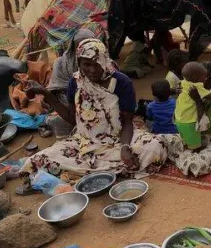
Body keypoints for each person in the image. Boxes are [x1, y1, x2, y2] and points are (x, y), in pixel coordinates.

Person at [22, 39, 166, 176]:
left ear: (104, 60)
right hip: (85, 142)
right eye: (86, 64)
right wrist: (46, 93)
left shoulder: (121, 82)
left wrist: (124, 148)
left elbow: (128, 122)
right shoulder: (76, 82)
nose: (92, 70)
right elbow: (73, 119)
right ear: (79, 62)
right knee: (38, 160)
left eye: (96, 64)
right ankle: (106, 169)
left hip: (120, 139)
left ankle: (89, 169)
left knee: (155, 146)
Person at [164, 61, 211, 177]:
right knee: (165, 141)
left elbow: (203, 125)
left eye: (205, 78)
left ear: (210, 80)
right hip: (195, 134)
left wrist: (197, 99)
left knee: (198, 163)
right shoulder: (192, 91)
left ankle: (186, 159)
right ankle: (186, 155)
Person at [48, 28, 97, 103]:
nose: (82, 50)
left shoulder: (101, 62)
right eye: (79, 47)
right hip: (64, 102)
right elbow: (55, 88)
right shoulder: (60, 63)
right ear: (73, 46)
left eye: (87, 46)